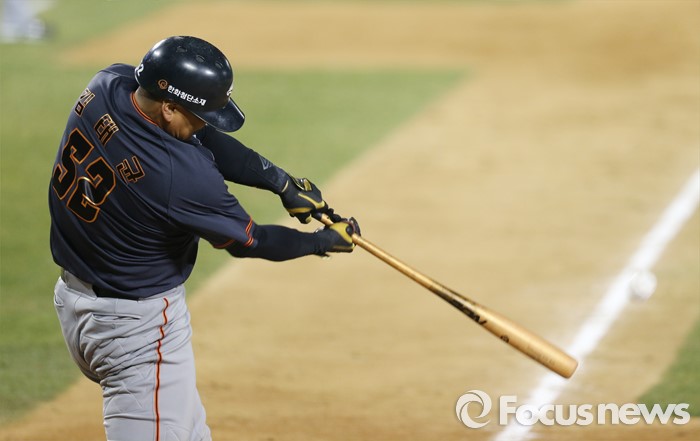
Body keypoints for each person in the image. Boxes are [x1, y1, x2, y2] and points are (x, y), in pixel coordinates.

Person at [49, 35, 359, 441]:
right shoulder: (180, 176)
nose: (205, 124)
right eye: (201, 115)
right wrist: (321, 242)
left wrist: (280, 182)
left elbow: (201, 138)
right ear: (169, 107)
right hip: (136, 332)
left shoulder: (107, 85)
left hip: (75, 300)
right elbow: (250, 242)